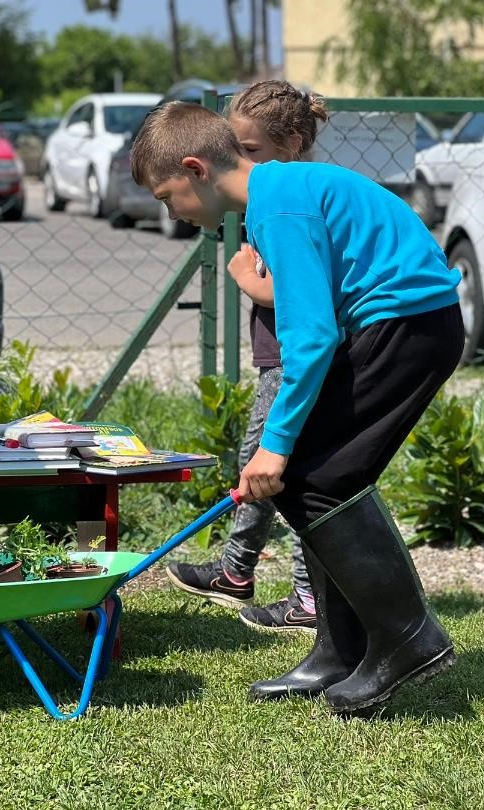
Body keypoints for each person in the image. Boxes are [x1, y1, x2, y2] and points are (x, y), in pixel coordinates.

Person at [130, 99, 463, 715]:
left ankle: (409, 640)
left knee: (321, 476)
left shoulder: (276, 205)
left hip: (409, 326)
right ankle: (338, 652)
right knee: (314, 476)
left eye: (166, 193)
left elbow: (310, 338)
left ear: (196, 167)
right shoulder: (273, 199)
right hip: (391, 325)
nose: (169, 210)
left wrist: (274, 445)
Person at [166, 81, 330, 634]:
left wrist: (251, 286)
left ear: (293, 143)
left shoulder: (288, 201)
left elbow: (308, 296)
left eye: (251, 151)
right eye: (236, 150)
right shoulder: (268, 200)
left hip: (298, 356)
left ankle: (303, 594)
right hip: (279, 352)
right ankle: (239, 570)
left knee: (292, 467)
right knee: (258, 454)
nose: (242, 162)